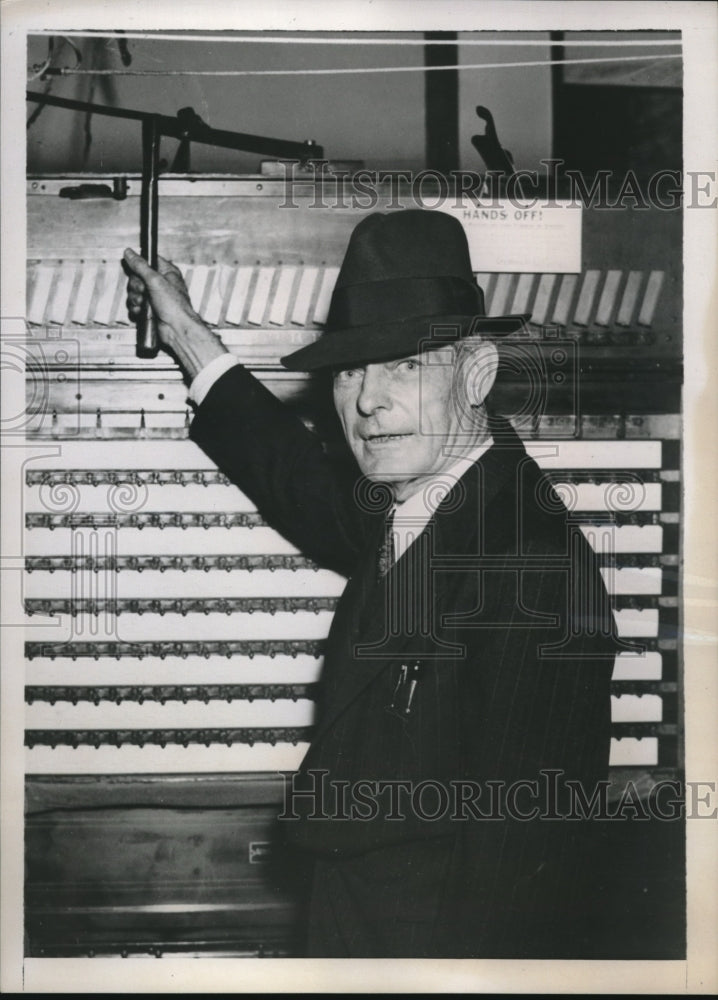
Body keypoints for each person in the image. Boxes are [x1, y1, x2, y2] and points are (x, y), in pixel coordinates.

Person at [124, 209, 620, 958]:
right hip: (355, 927)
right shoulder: (425, 497)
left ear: (478, 373)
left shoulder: (535, 572)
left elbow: (521, 875)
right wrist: (188, 335)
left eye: (405, 366)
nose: (366, 401)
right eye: (351, 368)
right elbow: (296, 478)